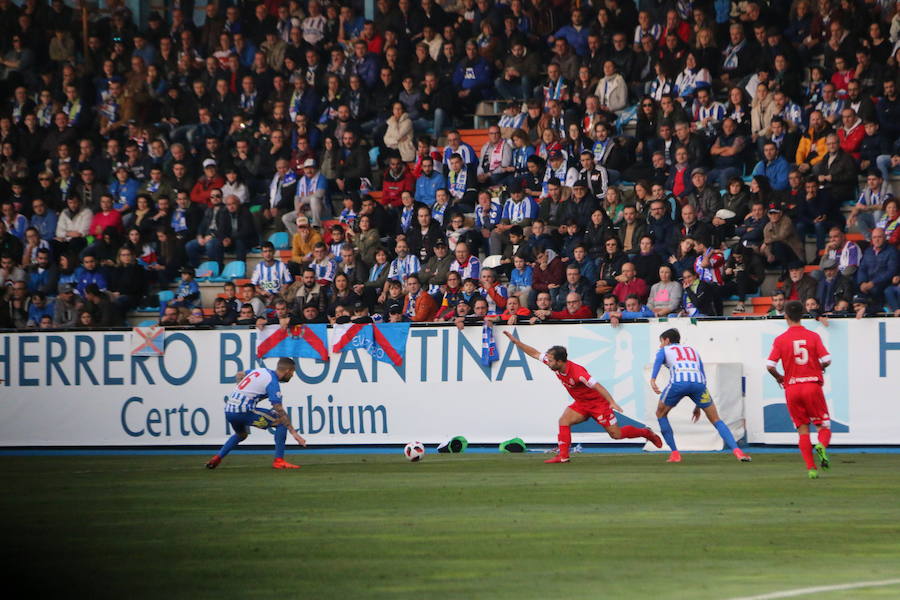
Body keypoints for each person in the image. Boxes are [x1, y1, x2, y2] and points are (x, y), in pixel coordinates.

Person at [502, 331, 662, 463]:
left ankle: (646, 433)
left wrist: (611, 402)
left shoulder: (578, 373)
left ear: (560, 361)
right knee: (563, 421)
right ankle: (563, 456)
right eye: (548, 360)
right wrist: (516, 342)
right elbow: (535, 353)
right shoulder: (555, 364)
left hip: (598, 405)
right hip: (581, 404)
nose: (547, 362)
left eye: (550, 361)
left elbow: (598, 386)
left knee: (616, 435)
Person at [650, 328, 752, 464]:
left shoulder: (665, 350)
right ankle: (738, 452)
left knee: (660, 414)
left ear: (667, 340)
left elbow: (658, 361)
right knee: (716, 419)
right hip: (699, 384)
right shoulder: (693, 351)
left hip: (678, 383)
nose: (660, 345)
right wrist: (698, 405)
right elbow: (702, 375)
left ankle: (675, 453)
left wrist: (653, 379)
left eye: (661, 341)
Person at [766, 300, 833, 479]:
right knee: (823, 426)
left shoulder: (781, 339)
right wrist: (818, 366)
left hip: (792, 388)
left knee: (802, 429)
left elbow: (770, 365)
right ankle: (821, 446)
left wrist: (780, 378)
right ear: (802, 315)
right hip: (812, 386)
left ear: (786, 316)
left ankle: (811, 469)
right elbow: (827, 359)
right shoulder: (813, 336)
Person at [205, 357, 307, 470]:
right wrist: (293, 432)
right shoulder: (272, 382)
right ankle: (279, 461)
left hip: (229, 410)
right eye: (293, 372)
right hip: (243, 411)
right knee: (280, 421)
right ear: (288, 371)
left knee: (241, 435)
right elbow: (278, 408)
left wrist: (241, 391)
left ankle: (217, 458)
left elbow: (239, 374)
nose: (293, 375)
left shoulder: (260, 371)